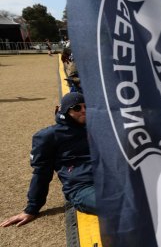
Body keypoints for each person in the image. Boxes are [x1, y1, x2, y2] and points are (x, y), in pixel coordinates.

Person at [0, 93, 96, 228]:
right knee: (118, 204)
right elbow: (41, 173)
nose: (83, 110)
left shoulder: (94, 128)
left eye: (86, 106)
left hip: (108, 179)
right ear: (65, 111)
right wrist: (32, 208)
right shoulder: (48, 136)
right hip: (82, 188)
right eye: (77, 108)